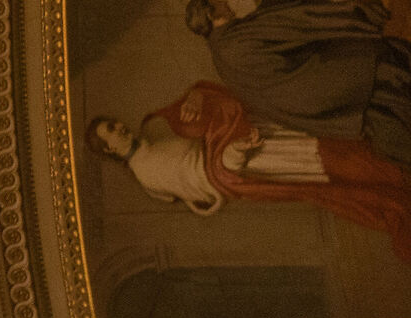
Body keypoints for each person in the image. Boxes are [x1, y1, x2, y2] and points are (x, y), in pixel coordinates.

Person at [87, 86, 411, 261]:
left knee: (322, 150)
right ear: (110, 150)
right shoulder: (147, 169)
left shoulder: (148, 155)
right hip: (242, 165)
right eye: (112, 132)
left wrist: (200, 102)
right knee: (323, 161)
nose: (120, 128)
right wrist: (238, 149)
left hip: (234, 158)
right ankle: (389, 174)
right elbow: (211, 175)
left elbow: (189, 186)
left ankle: (386, 163)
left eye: (114, 124)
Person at [187, 0, 411, 167]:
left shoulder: (221, 57)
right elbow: (288, 10)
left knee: (384, 111)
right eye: (216, 0)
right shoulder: (235, 39)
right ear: (211, 15)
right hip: (325, 82)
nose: (224, 0)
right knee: (383, 60)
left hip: (313, 108)